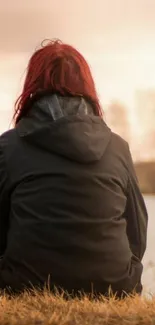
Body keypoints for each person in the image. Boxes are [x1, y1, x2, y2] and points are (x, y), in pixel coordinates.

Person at [0, 40, 148, 297]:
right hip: (114, 286)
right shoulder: (118, 148)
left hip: (23, 285)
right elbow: (137, 233)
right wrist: (120, 274)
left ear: (32, 88)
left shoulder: (8, 147)